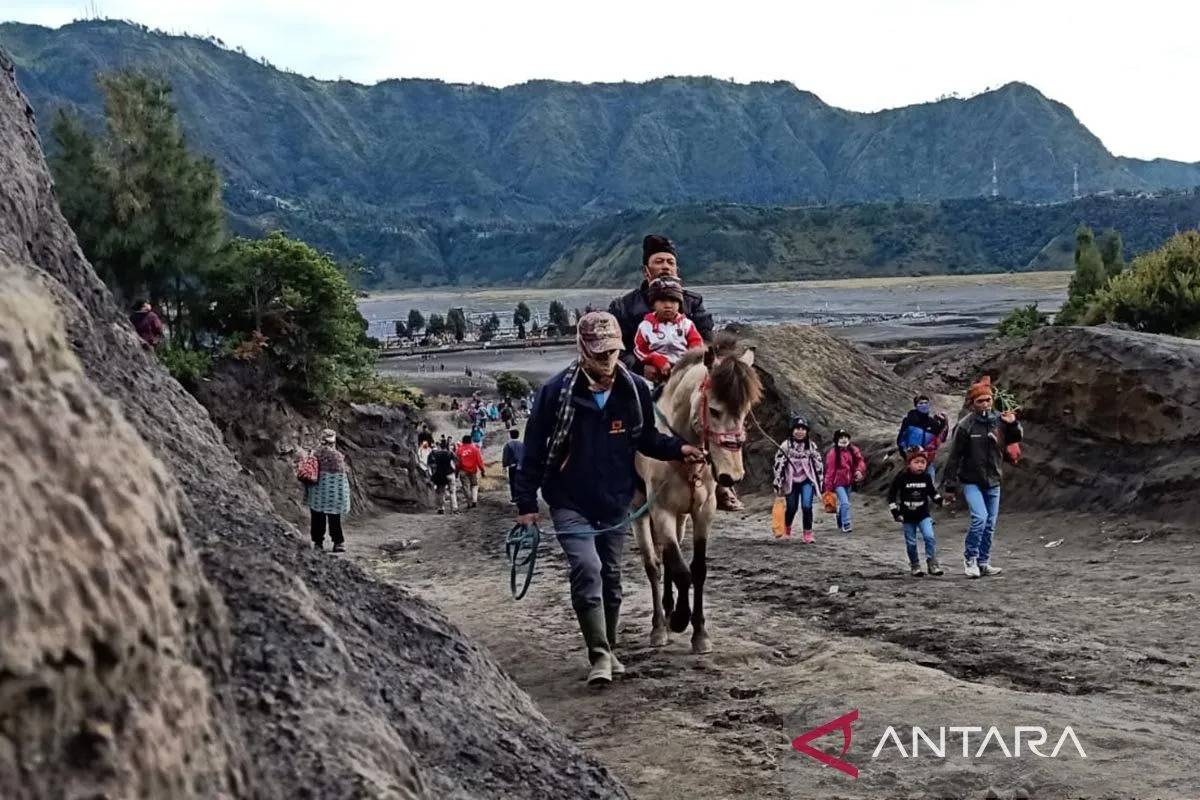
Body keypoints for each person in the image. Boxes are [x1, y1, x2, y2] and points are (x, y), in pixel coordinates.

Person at [514, 311, 704, 687]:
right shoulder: (554, 393)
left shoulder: (632, 389)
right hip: (568, 499)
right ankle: (598, 655)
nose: (606, 360)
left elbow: (647, 439)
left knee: (612, 578)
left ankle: (610, 646)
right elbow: (532, 451)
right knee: (588, 569)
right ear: (582, 349)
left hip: (614, 500)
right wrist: (526, 505)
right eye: (599, 353)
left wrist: (680, 448)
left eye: (612, 352)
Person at [941, 376, 1023, 578]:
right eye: (980, 401)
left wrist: (1013, 424)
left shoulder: (999, 420)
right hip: (971, 480)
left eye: (988, 399)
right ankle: (970, 559)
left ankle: (984, 562)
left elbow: (1015, 438)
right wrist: (949, 487)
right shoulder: (965, 426)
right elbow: (954, 457)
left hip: (993, 479)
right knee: (980, 519)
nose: (985, 404)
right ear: (972, 403)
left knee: (990, 524)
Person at [632, 276, 704, 384]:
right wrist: (656, 360)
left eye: (673, 301)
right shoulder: (645, 326)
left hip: (683, 369)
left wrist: (689, 362)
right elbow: (639, 350)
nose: (668, 306)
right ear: (653, 304)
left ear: (679, 304)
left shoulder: (686, 324)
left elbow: (696, 344)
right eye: (662, 301)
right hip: (656, 371)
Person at [888, 447, 945, 577]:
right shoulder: (902, 477)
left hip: (923, 514)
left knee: (929, 537)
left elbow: (932, 492)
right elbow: (891, 495)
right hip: (907, 516)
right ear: (909, 463)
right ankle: (915, 565)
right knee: (911, 542)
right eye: (917, 462)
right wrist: (895, 512)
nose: (920, 465)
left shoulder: (926, 477)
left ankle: (932, 564)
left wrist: (940, 500)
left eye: (923, 463)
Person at [772, 416, 824, 543]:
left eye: (803, 429)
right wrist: (778, 483)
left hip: (807, 480)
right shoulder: (785, 446)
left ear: (806, 431)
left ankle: (808, 534)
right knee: (791, 507)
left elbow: (818, 464)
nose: (800, 431)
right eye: (797, 428)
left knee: (807, 506)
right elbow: (778, 465)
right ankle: (787, 529)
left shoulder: (811, 446)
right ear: (792, 430)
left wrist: (821, 483)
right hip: (791, 481)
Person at [306, 429, 350, 553]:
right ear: (333, 441)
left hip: (317, 491)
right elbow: (342, 477)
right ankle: (338, 542)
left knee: (317, 517)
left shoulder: (314, 453)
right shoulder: (337, 456)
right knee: (334, 517)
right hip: (333, 493)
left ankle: (318, 543)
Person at [823, 429, 866, 533]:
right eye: (841, 437)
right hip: (838, 483)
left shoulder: (853, 449)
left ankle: (840, 517)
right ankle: (846, 524)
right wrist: (828, 489)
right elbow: (830, 471)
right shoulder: (833, 453)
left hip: (849, 482)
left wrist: (859, 471)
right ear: (836, 439)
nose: (844, 439)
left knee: (845, 503)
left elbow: (860, 461)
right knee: (845, 503)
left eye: (846, 437)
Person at [896, 394, 949, 479]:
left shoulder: (933, 423)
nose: (924, 405)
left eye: (926, 403)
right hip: (911, 458)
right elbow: (900, 440)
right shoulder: (909, 420)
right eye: (921, 403)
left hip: (927, 460)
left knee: (930, 480)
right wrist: (905, 455)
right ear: (916, 405)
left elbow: (941, 439)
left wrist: (944, 424)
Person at [428, 441, 458, 515]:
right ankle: (454, 508)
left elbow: (432, 464)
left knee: (441, 492)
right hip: (450, 473)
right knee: (452, 492)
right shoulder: (450, 453)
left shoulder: (436, 454)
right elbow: (456, 461)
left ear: (440, 446)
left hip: (440, 474)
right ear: (447, 446)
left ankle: (441, 508)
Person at [457, 434, 486, 509]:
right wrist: (482, 470)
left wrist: (456, 472)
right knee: (474, 485)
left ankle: (469, 501)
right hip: (473, 470)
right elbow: (479, 461)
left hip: (463, 471)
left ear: (463, 441)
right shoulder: (475, 449)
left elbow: (457, 463)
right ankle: (474, 500)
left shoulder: (459, 450)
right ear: (471, 440)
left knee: (465, 487)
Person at [501, 428, 525, 505]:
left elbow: (505, 456)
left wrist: (504, 466)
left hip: (513, 466)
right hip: (522, 466)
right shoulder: (522, 444)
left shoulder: (508, 445)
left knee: (513, 482)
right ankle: (521, 497)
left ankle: (514, 498)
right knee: (521, 482)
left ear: (510, 436)